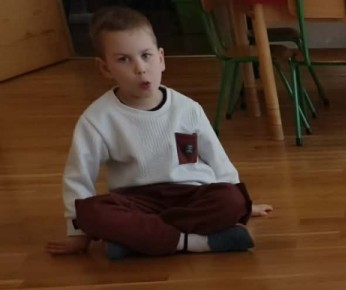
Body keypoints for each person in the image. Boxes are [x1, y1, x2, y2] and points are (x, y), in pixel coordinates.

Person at [47, 6, 270, 260]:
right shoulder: (97, 118)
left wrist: (243, 205)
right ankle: (198, 242)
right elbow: (78, 176)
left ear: (161, 58)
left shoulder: (188, 108)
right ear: (105, 68)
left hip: (190, 194)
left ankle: (137, 241)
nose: (140, 68)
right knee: (91, 212)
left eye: (146, 56)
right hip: (136, 201)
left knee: (231, 199)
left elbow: (217, 158)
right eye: (123, 59)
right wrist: (77, 232)